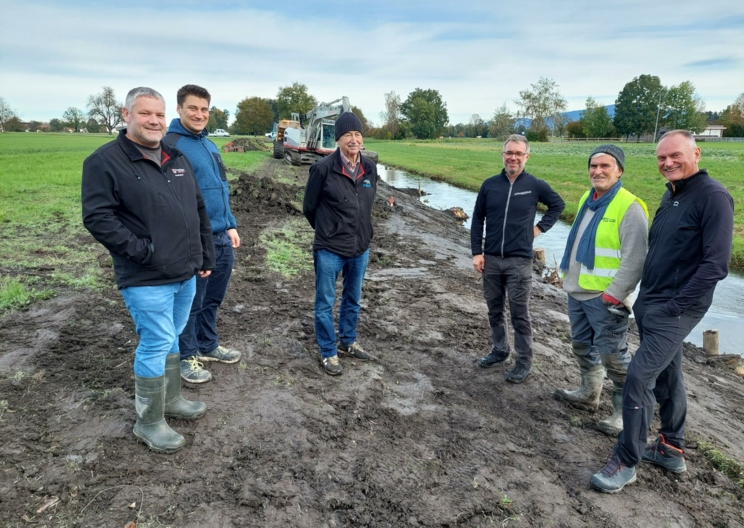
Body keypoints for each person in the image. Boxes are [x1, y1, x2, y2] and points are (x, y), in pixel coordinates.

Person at [591, 130, 734, 493]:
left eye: (675, 156)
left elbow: (716, 265)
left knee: (639, 378)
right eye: (661, 158)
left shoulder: (713, 197)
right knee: (669, 375)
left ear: (696, 153)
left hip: (675, 309)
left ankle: (626, 460)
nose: (667, 163)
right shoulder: (671, 195)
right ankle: (671, 447)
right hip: (652, 304)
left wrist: (676, 306)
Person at [82, 87, 215, 453]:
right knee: (156, 341)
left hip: (184, 272)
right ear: (127, 116)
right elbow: (97, 217)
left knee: (172, 336)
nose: (154, 121)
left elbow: (198, 208)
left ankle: (171, 400)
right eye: (145, 114)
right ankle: (149, 421)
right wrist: (142, 251)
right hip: (146, 276)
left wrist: (204, 255)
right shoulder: (105, 161)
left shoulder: (176, 157)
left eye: (158, 114)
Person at [554, 145, 648, 436]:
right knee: (581, 344)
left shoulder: (629, 207)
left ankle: (623, 413)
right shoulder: (588, 198)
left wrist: (615, 294)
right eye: (593, 166)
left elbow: (636, 259)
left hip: (605, 298)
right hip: (578, 291)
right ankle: (589, 393)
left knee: (613, 355)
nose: (597, 171)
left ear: (619, 170)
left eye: (605, 166)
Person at [163, 84, 241, 384]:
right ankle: (186, 356)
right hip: (195, 239)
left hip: (221, 236)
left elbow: (221, 188)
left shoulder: (210, 145)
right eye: (193, 108)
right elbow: (173, 197)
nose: (199, 114)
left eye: (204, 109)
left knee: (214, 298)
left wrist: (230, 223)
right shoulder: (171, 145)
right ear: (179, 109)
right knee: (191, 302)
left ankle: (208, 345)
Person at [471, 134, 565, 383]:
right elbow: (477, 219)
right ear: (502, 155)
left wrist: (538, 229)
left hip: (519, 261)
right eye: (509, 153)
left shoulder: (535, 185)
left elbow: (558, 205)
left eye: (518, 153)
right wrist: (476, 253)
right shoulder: (490, 185)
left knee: (519, 312)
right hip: (491, 259)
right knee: (494, 308)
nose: (513, 157)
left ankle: (524, 361)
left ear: (526, 157)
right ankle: (500, 350)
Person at [302, 112, 377, 376]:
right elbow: (309, 208)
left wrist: (362, 233)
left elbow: (368, 202)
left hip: (360, 248)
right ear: (338, 139)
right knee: (324, 302)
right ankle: (328, 351)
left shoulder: (369, 168)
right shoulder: (323, 169)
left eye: (357, 134)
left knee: (353, 298)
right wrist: (329, 231)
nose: (354, 139)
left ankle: (347, 341)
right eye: (348, 135)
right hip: (330, 250)